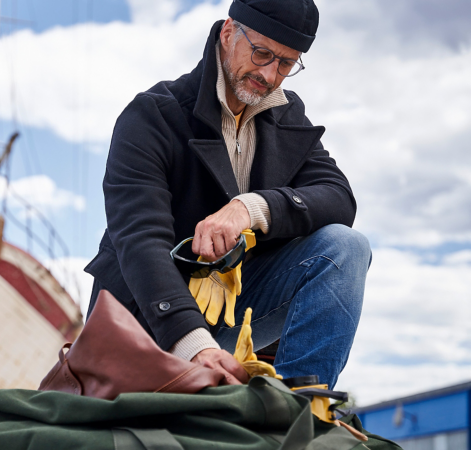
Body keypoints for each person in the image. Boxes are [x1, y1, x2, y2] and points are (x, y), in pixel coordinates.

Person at [84, 0, 371, 389]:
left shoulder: (287, 117)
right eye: (262, 53)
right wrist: (197, 346)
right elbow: (140, 242)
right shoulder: (153, 115)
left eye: (286, 64)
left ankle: (300, 410)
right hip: (146, 322)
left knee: (345, 247)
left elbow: (338, 197)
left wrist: (249, 208)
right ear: (228, 32)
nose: (270, 75)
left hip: (232, 312)